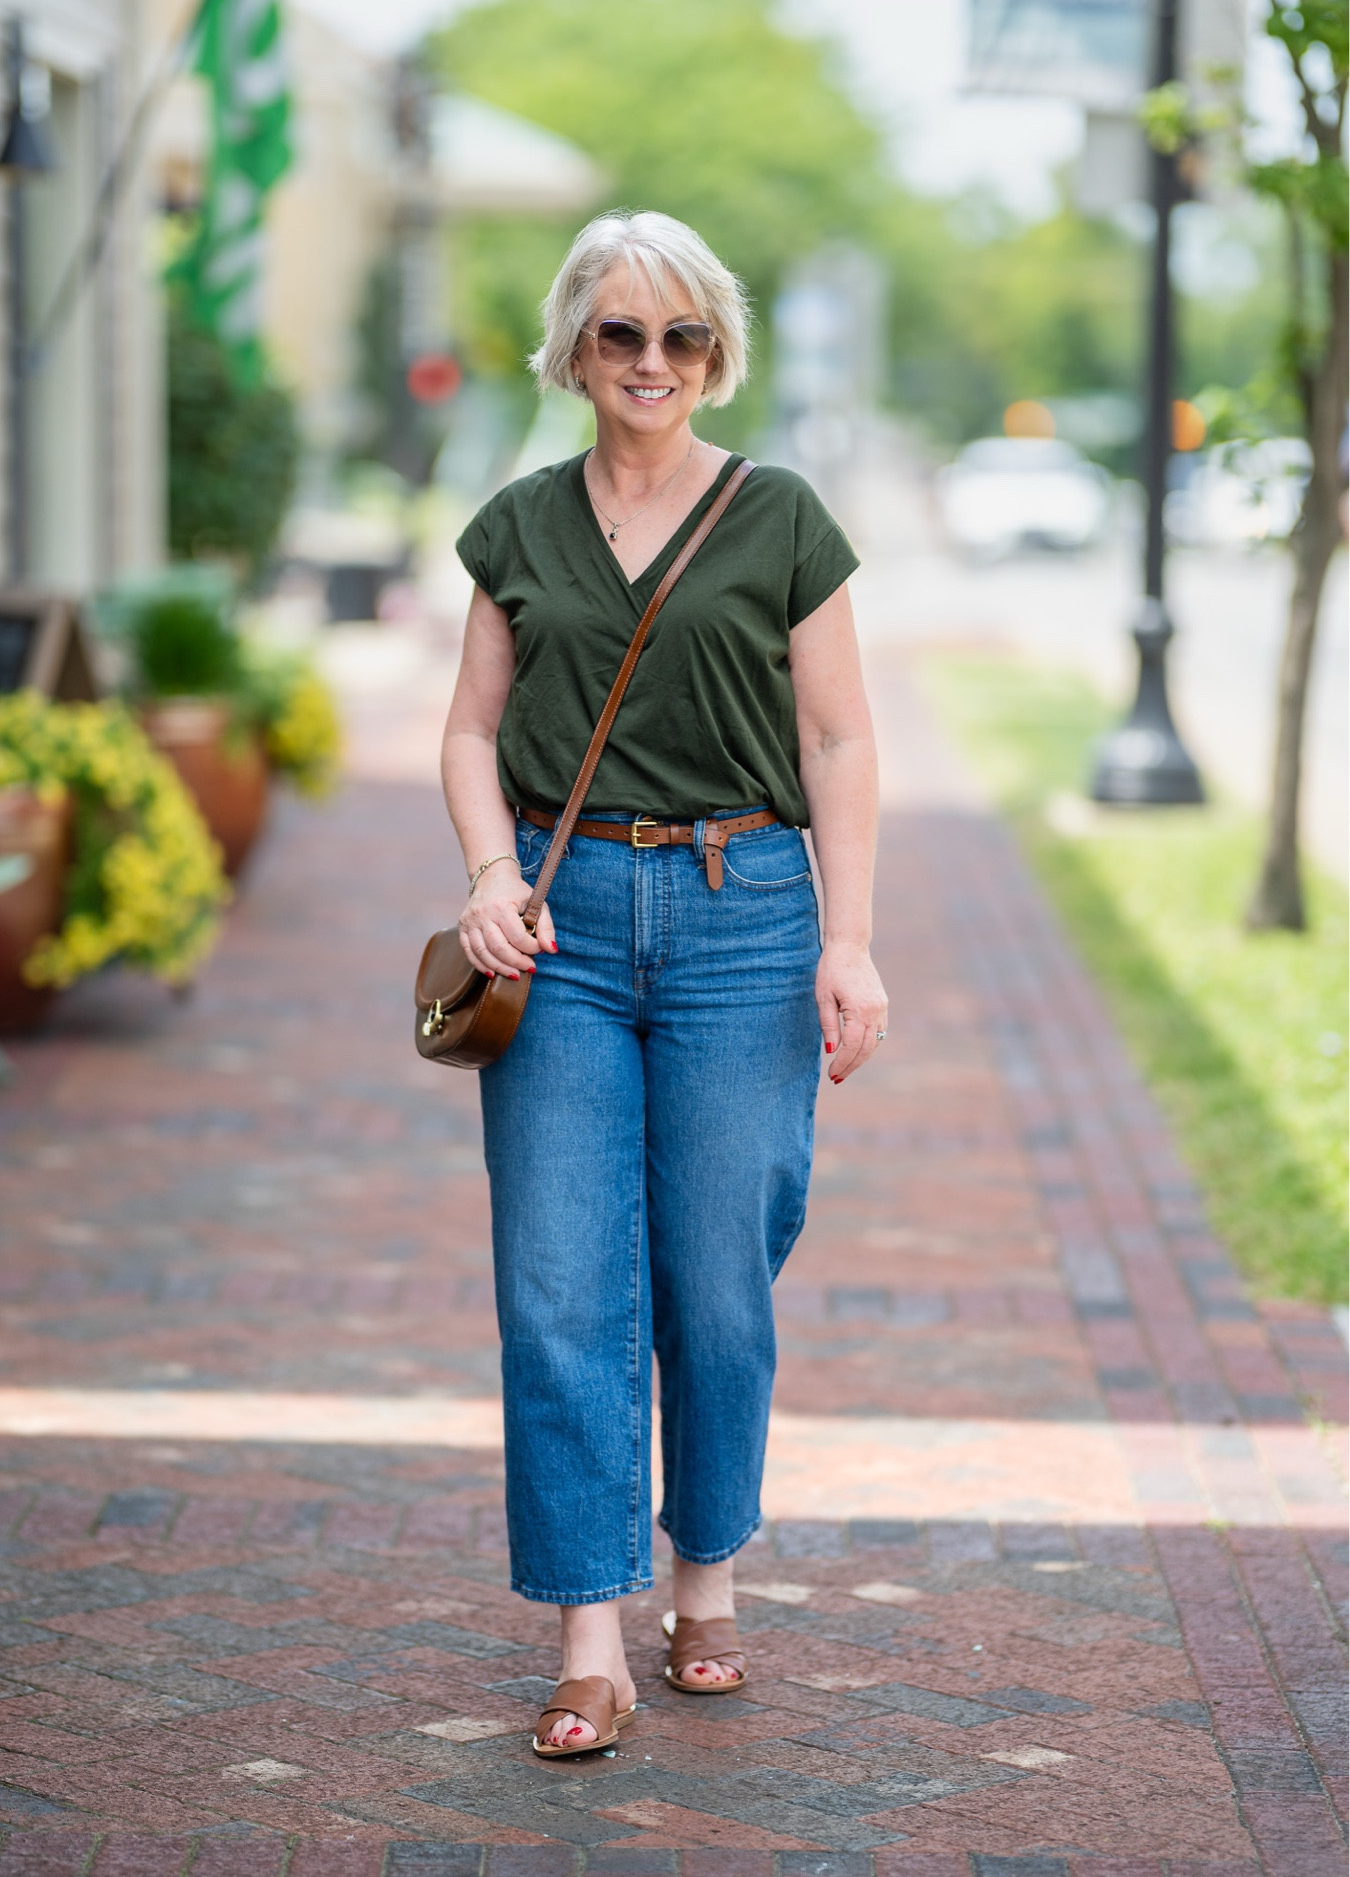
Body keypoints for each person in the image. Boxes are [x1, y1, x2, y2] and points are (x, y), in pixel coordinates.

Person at [442, 209, 886, 1756]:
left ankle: (706, 1578)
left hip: (741, 912)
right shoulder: (515, 526)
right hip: (556, 927)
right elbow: (469, 732)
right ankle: (589, 1636)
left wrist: (847, 939)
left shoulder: (781, 518)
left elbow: (836, 739)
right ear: (573, 349)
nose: (652, 360)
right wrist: (488, 878)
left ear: (717, 353)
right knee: (558, 1283)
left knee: (716, 1278)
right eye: (621, 332)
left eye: (682, 334)